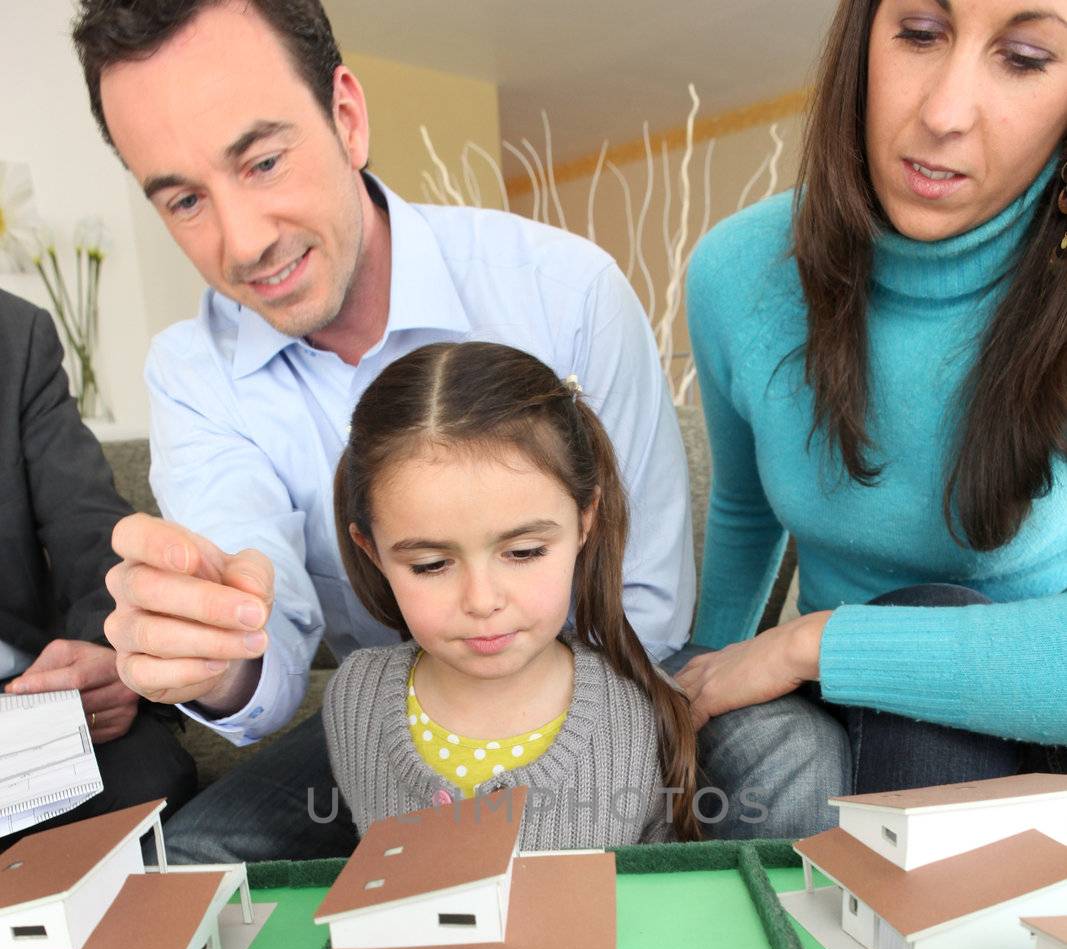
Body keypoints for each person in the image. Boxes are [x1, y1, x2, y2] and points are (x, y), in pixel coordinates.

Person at [71, 0, 694, 863]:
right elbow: (262, 606)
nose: (242, 243)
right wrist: (220, 657)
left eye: (262, 161)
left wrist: (529, 772)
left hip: (593, 697)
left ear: (347, 117)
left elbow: (647, 608)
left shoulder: (566, 292)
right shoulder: (192, 373)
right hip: (382, 738)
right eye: (184, 200)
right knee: (186, 863)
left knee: (784, 762)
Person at [676, 0, 1067, 839]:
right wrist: (701, 679)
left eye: (1027, 57)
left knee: (930, 608)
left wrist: (810, 643)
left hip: (1034, 707)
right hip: (832, 706)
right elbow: (744, 508)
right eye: (921, 35)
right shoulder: (736, 272)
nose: (942, 114)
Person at [326, 341, 698, 847]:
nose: (482, 601)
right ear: (372, 551)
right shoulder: (355, 700)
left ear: (584, 521)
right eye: (430, 564)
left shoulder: (642, 708)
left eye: (523, 552)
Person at [0, 288, 197, 833]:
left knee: (149, 776)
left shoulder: (14, 335)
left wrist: (107, 648)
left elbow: (90, 525)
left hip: (21, 705)